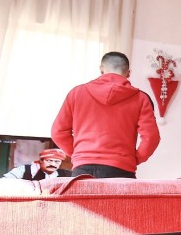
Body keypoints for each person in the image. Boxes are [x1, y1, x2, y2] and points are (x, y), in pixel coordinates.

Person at [51, 51, 161, 179]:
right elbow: (151, 137)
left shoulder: (77, 93)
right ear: (128, 73)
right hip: (122, 169)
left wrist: (78, 154)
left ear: (101, 69)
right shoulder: (141, 98)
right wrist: (134, 159)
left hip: (82, 168)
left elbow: (57, 132)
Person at [2, 148, 70, 180]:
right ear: (41, 160)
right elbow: (5, 181)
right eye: (49, 160)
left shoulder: (65, 174)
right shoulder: (25, 170)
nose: (53, 164)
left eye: (57, 161)